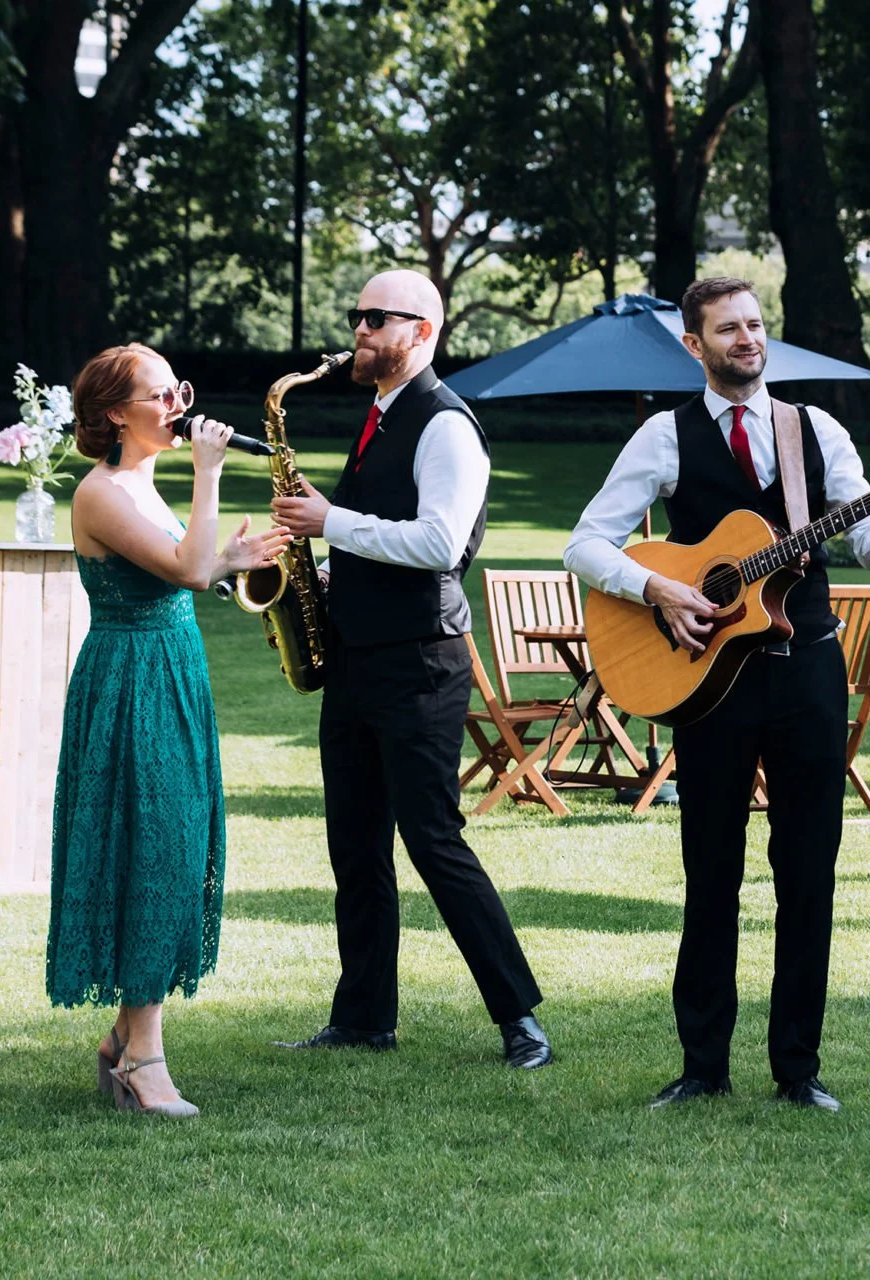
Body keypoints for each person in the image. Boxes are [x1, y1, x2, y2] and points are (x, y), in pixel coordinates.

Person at [564, 277, 870, 1112]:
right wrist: (659, 591)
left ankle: (799, 1069)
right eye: (728, 329)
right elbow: (586, 542)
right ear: (695, 346)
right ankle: (702, 1067)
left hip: (806, 674)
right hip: (709, 682)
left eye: (756, 325)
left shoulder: (815, 430)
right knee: (710, 869)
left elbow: (869, 545)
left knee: (808, 871)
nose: (747, 339)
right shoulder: (664, 434)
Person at [269, 269, 552, 1069]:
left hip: (421, 665)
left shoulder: (446, 425)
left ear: (423, 331)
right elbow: (386, 538)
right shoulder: (382, 415)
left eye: (375, 319)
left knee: (433, 838)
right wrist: (328, 572)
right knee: (355, 845)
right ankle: (362, 1017)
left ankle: (520, 1020)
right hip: (359, 658)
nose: (358, 330)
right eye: (356, 315)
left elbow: (440, 545)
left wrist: (331, 521)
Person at [47, 342, 293, 1118]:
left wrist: (233, 558)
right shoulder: (101, 491)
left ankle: (124, 1043)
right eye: (162, 395)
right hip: (131, 684)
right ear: (116, 413)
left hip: (172, 674)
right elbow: (185, 573)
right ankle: (145, 1061)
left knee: (171, 844)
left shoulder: (140, 484)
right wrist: (212, 476)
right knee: (150, 848)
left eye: (179, 389)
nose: (179, 406)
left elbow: (187, 564)